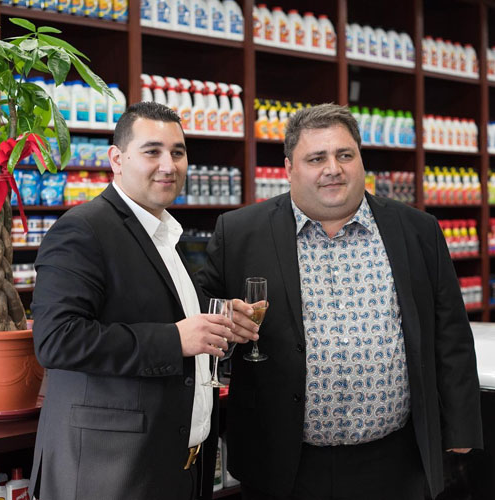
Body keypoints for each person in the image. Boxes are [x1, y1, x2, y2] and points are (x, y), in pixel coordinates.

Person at [197, 103, 483, 500]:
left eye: (344, 155)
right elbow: (200, 308)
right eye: (316, 158)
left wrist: (461, 428)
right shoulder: (240, 232)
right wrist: (225, 317)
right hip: (282, 463)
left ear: (360, 159)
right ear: (289, 168)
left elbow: (450, 333)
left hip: (396, 460)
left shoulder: (418, 229)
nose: (333, 168)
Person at [28, 102, 253, 500]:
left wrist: (219, 321)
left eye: (178, 152)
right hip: (109, 473)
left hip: (175, 467)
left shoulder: (164, 233)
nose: (169, 165)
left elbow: (164, 313)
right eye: (152, 151)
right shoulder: (82, 229)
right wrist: (175, 339)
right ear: (117, 159)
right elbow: (57, 339)